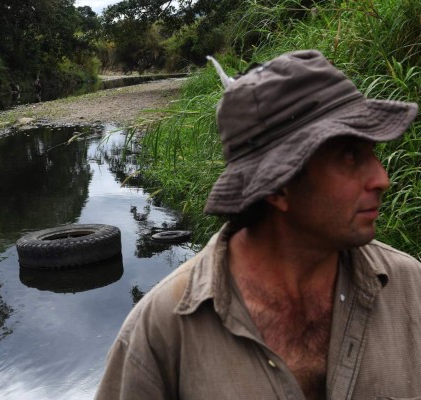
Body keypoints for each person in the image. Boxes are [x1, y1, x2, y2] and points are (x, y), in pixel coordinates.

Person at [95, 49, 420, 399]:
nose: (382, 178)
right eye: (350, 156)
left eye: (372, 153)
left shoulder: (410, 290)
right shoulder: (162, 333)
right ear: (278, 186)